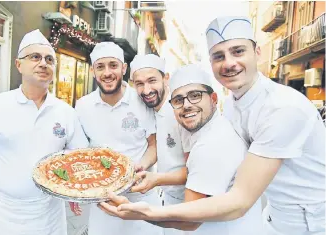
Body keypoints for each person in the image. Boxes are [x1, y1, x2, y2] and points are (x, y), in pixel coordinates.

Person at [98, 16, 326, 235]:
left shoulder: (282, 109)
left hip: (312, 223)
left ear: (257, 52)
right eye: (219, 56)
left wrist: (148, 213)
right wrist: (158, 180)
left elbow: (239, 200)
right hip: (272, 215)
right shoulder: (232, 105)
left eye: (238, 51)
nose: (229, 63)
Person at [100, 64, 263, 234]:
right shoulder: (208, 129)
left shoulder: (210, 145)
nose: (186, 105)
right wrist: (156, 179)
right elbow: (195, 171)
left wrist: (137, 213)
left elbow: (190, 221)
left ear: (214, 99)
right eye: (178, 100)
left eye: (195, 96)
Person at [0, 29, 89, 235]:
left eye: (50, 59)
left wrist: (74, 192)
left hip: (50, 217)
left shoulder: (66, 112)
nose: (43, 63)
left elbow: (79, 158)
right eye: (35, 57)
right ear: (18, 64)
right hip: (2, 216)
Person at [75, 42, 162, 235]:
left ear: (124, 68)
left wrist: (139, 166)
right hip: (103, 200)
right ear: (92, 71)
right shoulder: (82, 106)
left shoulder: (141, 100)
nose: (107, 72)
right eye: (100, 66)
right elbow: (80, 152)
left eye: (113, 65)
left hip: (141, 195)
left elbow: (154, 146)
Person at [129, 54, 188, 235]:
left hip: (190, 204)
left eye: (152, 81)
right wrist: (140, 167)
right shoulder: (151, 112)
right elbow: (156, 147)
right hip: (167, 201)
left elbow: (197, 170)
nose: (146, 90)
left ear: (166, 78)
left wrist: (157, 180)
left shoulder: (182, 113)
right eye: (139, 83)